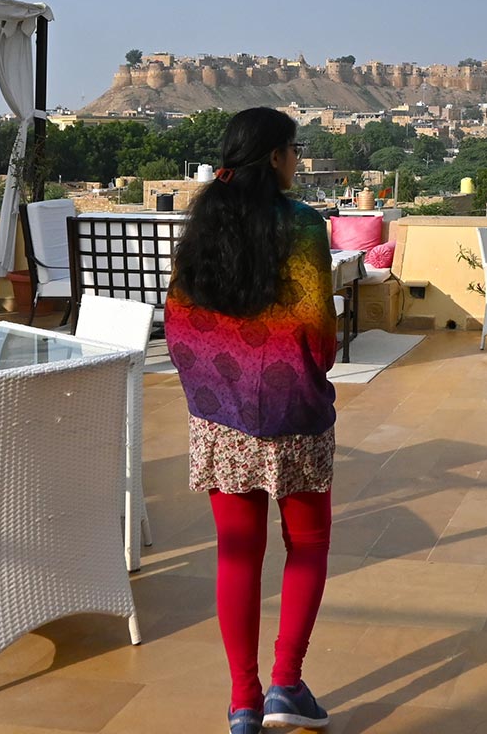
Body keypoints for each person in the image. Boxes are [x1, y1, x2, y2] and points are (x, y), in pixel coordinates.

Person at [165, 108, 337, 734]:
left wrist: (212, 394)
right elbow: (318, 332)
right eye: (295, 149)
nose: (299, 158)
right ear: (274, 157)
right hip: (294, 414)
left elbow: (178, 324)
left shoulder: (205, 225)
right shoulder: (304, 227)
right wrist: (310, 372)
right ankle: (287, 685)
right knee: (308, 545)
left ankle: (244, 702)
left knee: (237, 554)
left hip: (222, 417)